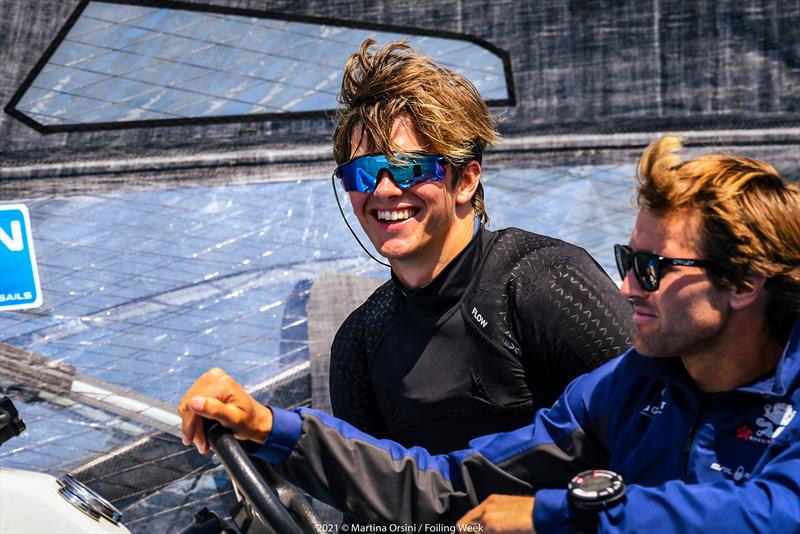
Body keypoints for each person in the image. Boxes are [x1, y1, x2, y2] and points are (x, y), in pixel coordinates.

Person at [180, 136, 800, 533]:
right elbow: (450, 484)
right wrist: (271, 427)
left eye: (652, 269)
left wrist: (553, 515)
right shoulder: (628, 386)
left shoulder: (541, 283)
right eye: (625, 260)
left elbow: (770, 514)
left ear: (742, 284)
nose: (627, 289)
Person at [327, 39, 632, 456]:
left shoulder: (548, 283)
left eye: (408, 168)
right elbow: (368, 507)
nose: (383, 189)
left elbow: (656, 435)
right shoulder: (359, 341)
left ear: (466, 181)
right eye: (363, 173)